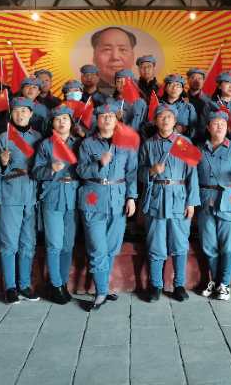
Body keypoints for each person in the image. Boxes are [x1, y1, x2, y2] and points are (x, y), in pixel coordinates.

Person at [76, 101, 138, 311]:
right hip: (93, 198)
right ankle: (101, 292)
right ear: (97, 120)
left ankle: (103, 285)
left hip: (118, 199)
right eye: (103, 116)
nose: (107, 119)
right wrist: (99, 164)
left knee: (111, 248)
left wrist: (131, 197)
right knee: (97, 248)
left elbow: (131, 173)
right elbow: (80, 171)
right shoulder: (87, 144)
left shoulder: (126, 144)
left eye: (111, 116)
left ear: (116, 120)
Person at [138, 104, 200, 302]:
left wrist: (191, 202)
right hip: (156, 197)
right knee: (155, 243)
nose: (165, 120)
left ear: (175, 121)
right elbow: (138, 172)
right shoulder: (148, 145)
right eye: (161, 117)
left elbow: (192, 175)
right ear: (155, 121)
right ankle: (156, 285)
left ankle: (179, 285)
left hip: (179, 198)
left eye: (169, 117)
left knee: (180, 243)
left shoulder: (184, 143)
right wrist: (151, 171)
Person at [196, 111, 231, 300]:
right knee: (208, 244)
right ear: (208, 127)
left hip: (230, 199)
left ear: (228, 128)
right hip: (206, 199)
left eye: (223, 124)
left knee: (229, 245)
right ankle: (215, 280)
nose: (219, 127)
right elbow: (192, 176)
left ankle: (224, 284)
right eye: (215, 123)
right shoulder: (199, 149)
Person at [0, 97, 43, 304]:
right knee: (9, 242)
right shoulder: (4, 137)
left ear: (31, 114)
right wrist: (3, 163)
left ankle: (24, 285)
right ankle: (10, 287)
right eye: (16, 111)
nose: (20, 114)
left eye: (24, 111)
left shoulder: (38, 137)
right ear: (11, 114)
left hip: (31, 193)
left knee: (28, 242)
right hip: (10, 192)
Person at [32, 105, 80, 304]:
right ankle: (55, 284)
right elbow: (36, 172)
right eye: (57, 119)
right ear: (52, 123)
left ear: (71, 122)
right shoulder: (46, 145)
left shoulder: (79, 143)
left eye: (65, 119)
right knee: (54, 243)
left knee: (68, 244)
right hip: (52, 195)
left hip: (73, 196)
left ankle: (63, 282)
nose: (61, 122)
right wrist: (50, 169)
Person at [91, 26, 137, 93]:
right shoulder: (83, 92)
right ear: (94, 56)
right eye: (107, 50)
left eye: (122, 49)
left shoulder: (143, 90)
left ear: (133, 57)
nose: (115, 57)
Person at [151, 73, 197, 138]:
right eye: (171, 84)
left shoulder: (188, 107)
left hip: (181, 141)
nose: (174, 88)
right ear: (165, 88)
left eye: (178, 85)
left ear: (182, 89)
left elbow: (194, 129)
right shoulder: (157, 105)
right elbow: (149, 125)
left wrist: (184, 130)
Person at [205, 71, 231, 143]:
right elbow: (202, 128)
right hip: (215, 144)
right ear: (219, 86)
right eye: (227, 83)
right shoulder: (210, 105)